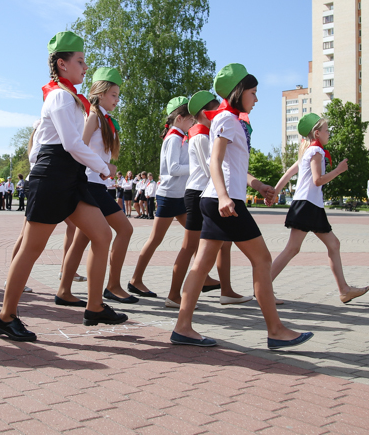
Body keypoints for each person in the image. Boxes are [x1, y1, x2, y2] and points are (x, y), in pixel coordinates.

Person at [0, 31, 126, 342]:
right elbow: (70, 143)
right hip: (53, 177)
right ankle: (6, 317)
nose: (84, 67)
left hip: (71, 177)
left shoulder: (72, 98)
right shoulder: (58, 96)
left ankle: (95, 307)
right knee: (31, 248)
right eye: (80, 61)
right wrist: (102, 166)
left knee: (102, 234)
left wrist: (96, 166)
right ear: (62, 64)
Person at [172, 63, 312, 350]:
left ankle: (182, 327)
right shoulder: (226, 119)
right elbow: (215, 161)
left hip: (217, 200)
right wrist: (224, 197)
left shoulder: (230, 120)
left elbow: (231, 165)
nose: (257, 99)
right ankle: (275, 330)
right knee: (262, 260)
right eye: (253, 92)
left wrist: (258, 185)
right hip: (225, 203)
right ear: (239, 92)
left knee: (200, 266)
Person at [57, 68, 137, 306]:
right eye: (113, 94)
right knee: (125, 230)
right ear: (101, 94)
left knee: (81, 240)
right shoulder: (92, 117)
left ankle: (64, 290)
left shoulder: (103, 118)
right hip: (91, 185)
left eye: (118, 95)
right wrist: (104, 166)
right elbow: (78, 148)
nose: (117, 99)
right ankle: (112, 286)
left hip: (97, 185)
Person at [165, 91, 251, 309]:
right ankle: (174, 294)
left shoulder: (203, 134)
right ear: (205, 113)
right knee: (190, 247)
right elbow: (212, 168)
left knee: (224, 244)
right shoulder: (202, 137)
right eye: (215, 110)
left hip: (205, 194)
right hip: (199, 194)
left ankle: (227, 291)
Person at [272, 113, 369, 304]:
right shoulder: (316, 152)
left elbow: (289, 173)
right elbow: (318, 181)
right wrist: (338, 171)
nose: (329, 133)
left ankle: (344, 290)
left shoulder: (308, 150)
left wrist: (275, 192)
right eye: (326, 130)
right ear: (317, 133)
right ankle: (263, 287)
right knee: (292, 248)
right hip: (307, 205)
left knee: (333, 244)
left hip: (310, 205)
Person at [128, 96, 196, 297]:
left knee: (196, 238)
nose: (193, 122)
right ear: (179, 119)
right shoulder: (174, 137)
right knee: (155, 239)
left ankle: (204, 277)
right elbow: (173, 169)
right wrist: (198, 167)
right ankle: (135, 280)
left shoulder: (178, 136)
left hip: (179, 197)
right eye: (191, 119)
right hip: (169, 197)